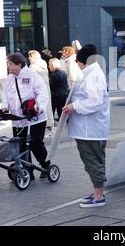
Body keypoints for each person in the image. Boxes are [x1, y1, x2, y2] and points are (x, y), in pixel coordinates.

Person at [63, 44, 110, 208]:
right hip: (88, 129)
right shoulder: (91, 73)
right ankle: (98, 192)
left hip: (91, 130)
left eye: (77, 61)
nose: (76, 64)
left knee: (93, 161)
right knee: (91, 161)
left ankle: (99, 196)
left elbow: (95, 101)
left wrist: (73, 106)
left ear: (83, 61)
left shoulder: (93, 75)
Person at [0, 53, 51, 179]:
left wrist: (38, 106)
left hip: (34, 119)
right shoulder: (9, 79)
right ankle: (28, 171)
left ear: (19, 65)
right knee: (21, 145)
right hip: (17, 120)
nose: (8, 67)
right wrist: (4, 106)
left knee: (35, 144)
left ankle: (46, 166)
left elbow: (42, 92)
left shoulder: (32, 75)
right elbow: (5, 95)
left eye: (10, 64)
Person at [28, 50, 54, 132]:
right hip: (46, 88)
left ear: (32, 57)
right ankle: (50, 123)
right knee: (47, 106)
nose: (28, 58)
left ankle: (42, 124)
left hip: (37, 90)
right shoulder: (43, 63)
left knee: (39, 106)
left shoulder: (33, 67)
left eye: (29, 56)